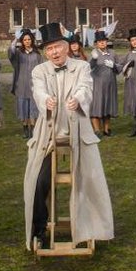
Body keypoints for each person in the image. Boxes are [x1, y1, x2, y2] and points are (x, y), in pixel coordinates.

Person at [24, 22, 114, 249]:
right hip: (49, 134)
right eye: (49, 49)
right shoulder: (39, 71)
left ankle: (92, 227)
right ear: (45, 52)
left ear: (66, 46)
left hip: (79, 133)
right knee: (37, 181)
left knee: (90, 178)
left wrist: (78, 99)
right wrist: (46, 100)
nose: (54, 52)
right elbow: (39, 91)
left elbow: (86, 87)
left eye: (57, 47)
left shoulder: (81, 67)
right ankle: (40, 229)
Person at [8, 29, 44, 139]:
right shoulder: (19, 53)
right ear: (22, 41)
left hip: (34, 84)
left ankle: (33, 128)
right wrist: (15, 39)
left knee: (33, 107)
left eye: (29, 39)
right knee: (23, 107)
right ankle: (25, 129)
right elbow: (11, 53)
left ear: (32, 40)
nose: (27, 41)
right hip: (21, 83)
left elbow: (41, 68)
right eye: (24, 40)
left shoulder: (37, 54)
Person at [89, 30, 120, 137]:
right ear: (96, 43)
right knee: (96, 105)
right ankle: (97, 130)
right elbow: (89, 67)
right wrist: (93, 59)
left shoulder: (112, 53)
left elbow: (119, 68)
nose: (102, 43)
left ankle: (107, 129)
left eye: (104, 41)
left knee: (108, 105)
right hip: (97, 85)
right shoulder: (94, 53)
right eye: (99, 41)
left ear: (106, 42)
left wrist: (114, 66)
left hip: (110, 84)